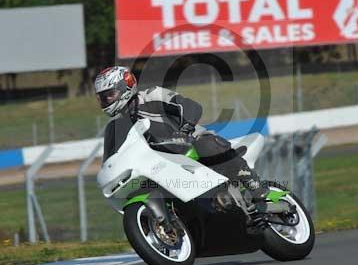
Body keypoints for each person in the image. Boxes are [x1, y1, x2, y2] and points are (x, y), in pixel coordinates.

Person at [94, 66, 267, 214]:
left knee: (205, 144)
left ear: (126, 86)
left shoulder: (152, 96)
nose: (106, 100)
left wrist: (184, 130)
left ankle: (252, 183)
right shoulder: (118, 125)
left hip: (188, 142)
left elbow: (190, 106)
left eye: (109, 94)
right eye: (102, 97)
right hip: (160, 159)